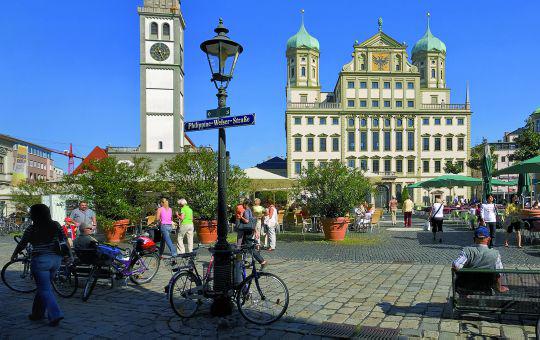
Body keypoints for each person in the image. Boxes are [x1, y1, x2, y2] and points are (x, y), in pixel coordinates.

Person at [10, 204, 69, 327]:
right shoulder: (56, 225)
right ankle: (37, 314)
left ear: (34, 215)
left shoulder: (31, 228)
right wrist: (69, 255)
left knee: (44, 289)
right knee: (43, 287)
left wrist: (14, 254)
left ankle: (55, 314)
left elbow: (22, 243)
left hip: (41, 260)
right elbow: (64, 240)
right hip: (56, 260)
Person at [452, 226, 508, 293]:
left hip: (465, 286)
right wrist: (499, 288)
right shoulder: (495, 254)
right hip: (486, 287)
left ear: (474, 239)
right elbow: (499, 272)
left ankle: (464, 299)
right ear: (489, 239)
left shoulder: (467, 251)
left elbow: (456, 265)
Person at [238, 199, 267, 267]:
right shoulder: (251, 210)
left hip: (247, 231)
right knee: (243, 246)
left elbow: (247, 221)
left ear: (246, 204)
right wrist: (256, 231)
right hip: (250, 230)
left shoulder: (247, 211)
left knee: (249, 247)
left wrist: (241, 217)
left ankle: (262, 261)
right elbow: (253, 222)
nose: (243, 206)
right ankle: (241, 261)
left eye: (243, 204)